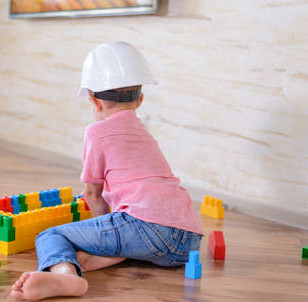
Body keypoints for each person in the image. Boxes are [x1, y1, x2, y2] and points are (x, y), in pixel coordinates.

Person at [10, 41, 203, 301]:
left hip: (147, 227)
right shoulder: (143, 133)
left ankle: (67, 275)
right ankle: (101, 257)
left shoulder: (96, 132)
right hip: (187, 241)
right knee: (125, 233)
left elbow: (92, 193)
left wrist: (102, 229)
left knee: (51, 235)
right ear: (140, 100)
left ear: (93, 100)